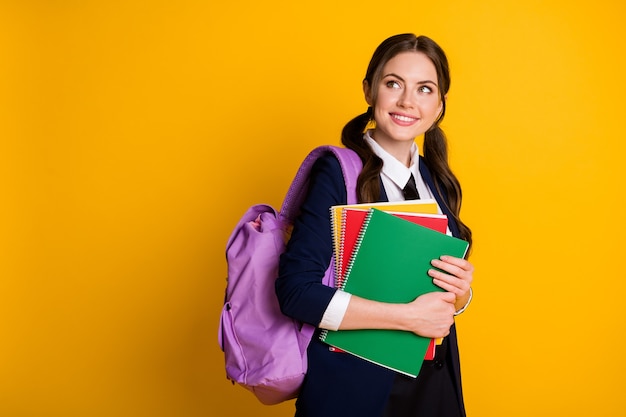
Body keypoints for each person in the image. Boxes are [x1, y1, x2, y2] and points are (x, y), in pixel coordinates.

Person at [276, 33, 474, 417]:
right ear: (369, 90)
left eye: (424, 89)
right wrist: (406, 318)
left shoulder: (438, 180)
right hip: (356, 392)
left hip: (433, 387)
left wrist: (461, 295)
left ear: (439, 105)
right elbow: (295, 292)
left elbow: (443, 298)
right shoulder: (338, 172)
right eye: (393, 83)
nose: (407, 101)